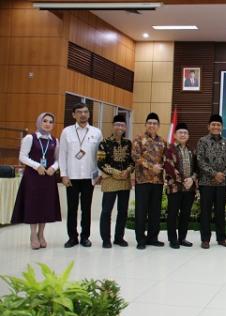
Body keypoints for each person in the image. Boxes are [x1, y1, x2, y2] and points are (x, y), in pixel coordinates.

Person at [11, 112, 61, 249]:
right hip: (32, 177)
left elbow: (58, 159)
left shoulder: (55, 140)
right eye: (45, 121)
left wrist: (53, 168)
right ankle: (33, 234)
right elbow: (22, 156)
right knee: (33, 204)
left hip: (48, 177)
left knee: (45, 205)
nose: (47, 124)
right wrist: (36, 165)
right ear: (39, 122)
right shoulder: (30, 138)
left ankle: (41, 234)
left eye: (51, 122)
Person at [59, 103, 102, 248]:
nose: (83, 114)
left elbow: (100, 155)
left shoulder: (96, 132)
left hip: (89, 177)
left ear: (89, 114)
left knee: (86, 208)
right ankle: (72, 237)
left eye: (85, 112)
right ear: (74, 115)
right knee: (72, 209)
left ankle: (85, 237)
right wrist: (64, 174)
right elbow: (62, 154)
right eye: (79, 112)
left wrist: (99, 174)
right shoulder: (66, 132)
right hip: (72, 176)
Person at [196, 114, 226, 249]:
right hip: (206, 182)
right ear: (208, 126)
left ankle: (222, 238)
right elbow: (200, 160)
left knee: (220, 211)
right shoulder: (202, 141)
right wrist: (214, 174)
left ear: (222, 127)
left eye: (218, 125)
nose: (216, 127)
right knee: (205, 211)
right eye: (213, 124)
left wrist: (223, 174)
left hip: (222, 183)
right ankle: (205, 239)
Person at [96, 114, 134, 249]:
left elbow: (132, 161)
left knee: (122, 211)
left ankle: (119, 238)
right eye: (117, 124)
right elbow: (100, 162)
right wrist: (115, 172)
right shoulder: (104, 143)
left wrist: (128, 170)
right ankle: (106, 239)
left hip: (125, 180)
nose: (120, 127)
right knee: (106, 211)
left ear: (125, 127)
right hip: (110, 180)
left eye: (122, 125)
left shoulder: (128, 143)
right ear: (113, 126)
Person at [132, 112, 167, 250]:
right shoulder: (138, 139)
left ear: (158, 126)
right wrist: (152, 167)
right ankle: (141, 239)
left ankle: (153, 238)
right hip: (143, 181)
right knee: (141, 211)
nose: (152, 125)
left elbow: (166, 159)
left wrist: (163, 167)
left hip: (157, 181)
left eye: (155, 123)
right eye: (150, 123)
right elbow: (135, 156)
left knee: (155, 211)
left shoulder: (163, 141)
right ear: (146, 124)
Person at [164, 123, 197, 249]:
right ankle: (173, 239)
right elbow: (169, 168)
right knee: (173, 214)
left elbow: (197, 168)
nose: (183, 135)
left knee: (185, 214)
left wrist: (192, 179)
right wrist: (184, 180)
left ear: (188, 135)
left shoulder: (191, 150)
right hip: (175, 188)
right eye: (180, 132)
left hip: (189, 189)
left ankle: (182, 238)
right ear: (175, 135)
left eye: (185, 133)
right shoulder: (170, 149)